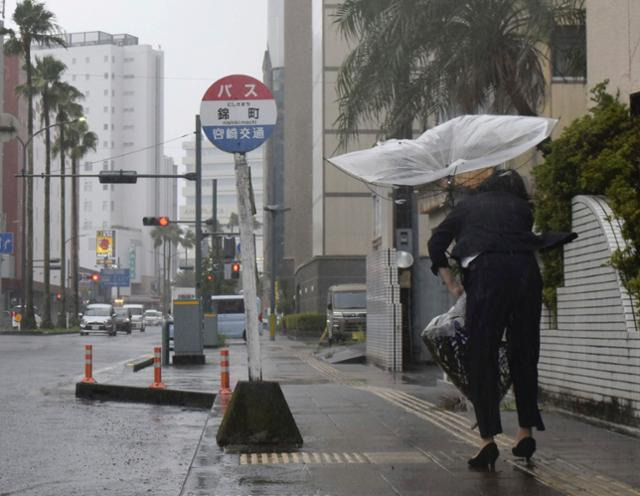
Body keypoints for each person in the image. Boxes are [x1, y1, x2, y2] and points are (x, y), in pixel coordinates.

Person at [427, 168, 575, 471]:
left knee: (482, 356)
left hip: (488, 277)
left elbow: (435, 245)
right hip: (526, 274)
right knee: (524, 354)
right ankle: (524, 433)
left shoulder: (466, 206)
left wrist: (453, 284)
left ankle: (487, 441)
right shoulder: (522, 208)